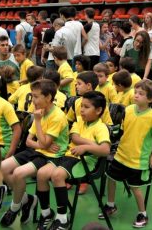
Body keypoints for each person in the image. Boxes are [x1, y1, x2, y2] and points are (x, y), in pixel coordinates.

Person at [36, 91, 111, 229]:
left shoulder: (101, 127)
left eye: (86, 107)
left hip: (85, 162)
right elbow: (75, 138)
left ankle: (62, 218)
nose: (81, 110)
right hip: (68, 157)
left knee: (57, 175)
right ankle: (46, 213)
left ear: (99, 110)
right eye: (81, 106)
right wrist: (91, 145)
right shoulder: (79, 121)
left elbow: (105, 150)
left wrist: (85, 148)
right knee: (41, 174)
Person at [0, 79, 69, 227]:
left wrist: (37, 123)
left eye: (36, 97)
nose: (33, 100)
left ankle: (15, 207)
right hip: (37, 150)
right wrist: (42, 144)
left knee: (18, 173)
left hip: (51, 156)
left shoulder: (57, 116)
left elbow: (43, 144)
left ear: (49, 97)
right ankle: (25, 199)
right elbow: (28, 141)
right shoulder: (39, 111)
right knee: (2, 167)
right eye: (32, 96)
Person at [100, 80, 152, 228]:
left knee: (135, 188)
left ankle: (143, 214)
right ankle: (110, 205)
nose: (136, 95)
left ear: (150, 99)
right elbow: (125, 129)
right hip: (121, 154)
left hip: (138, 160)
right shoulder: (129, 109)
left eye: (141, 94)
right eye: (135, 92)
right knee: (111, 178)